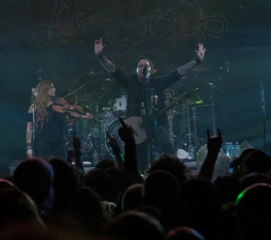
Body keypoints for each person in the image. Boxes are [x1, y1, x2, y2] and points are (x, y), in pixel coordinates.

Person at [94, 38, 206, 172]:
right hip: (137, 127)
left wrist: (196, 60)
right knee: (140, 160)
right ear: (136, 70)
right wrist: (101, 56)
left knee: (167, 147)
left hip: (157, 125)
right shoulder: (131, 82)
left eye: (146, 66)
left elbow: (177, 73)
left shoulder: (159, 82)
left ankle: (173, 173)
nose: (143, 68)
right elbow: (115, 71)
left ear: (151, 69)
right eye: (140, 66)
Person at [26, 79, 93, 160]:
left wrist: (80, 117)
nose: (55, 89)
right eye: (51, 87)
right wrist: (29, 147)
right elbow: (29, 128)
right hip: (42, 143)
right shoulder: (34, 107)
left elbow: (65, 121)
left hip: (59, 142)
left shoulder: (58, 104)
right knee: (44, 165)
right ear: (45, 90)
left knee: (60, 165)